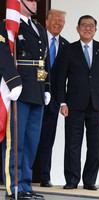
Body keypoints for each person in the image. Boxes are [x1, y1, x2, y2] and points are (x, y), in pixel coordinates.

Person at [57, 15, 99, 190]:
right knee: (72, 145)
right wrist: (62, 103)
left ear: (95, 30)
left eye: (91, 25)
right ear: (77, 28)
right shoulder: (68, 49)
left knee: (94, 145)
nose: (87, 28)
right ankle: (72, 180)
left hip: (98, 106)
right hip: (74, 105)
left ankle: (90, 181)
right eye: (84, 25)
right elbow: (60, 80)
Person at [0, 0, 50, 199]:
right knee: (15, 142)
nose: (34, 3)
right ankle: (14, 188)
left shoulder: (38, 27)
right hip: (19, 89)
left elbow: (44, 60)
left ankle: (26, 185)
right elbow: (3, 55)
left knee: (31, 142)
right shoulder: (8, 24)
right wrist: (13, 82)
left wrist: (46, 87)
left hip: (36, 90)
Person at [38, 9, 69, 187]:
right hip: (34, 95)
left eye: (61, 21)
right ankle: (18, 174)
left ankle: (44, 177)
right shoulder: (38, 40)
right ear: (47, 21)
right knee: (28, 138)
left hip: (54, 100)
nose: (58, 23)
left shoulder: (66, 45)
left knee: (47, 140)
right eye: (55, 20)